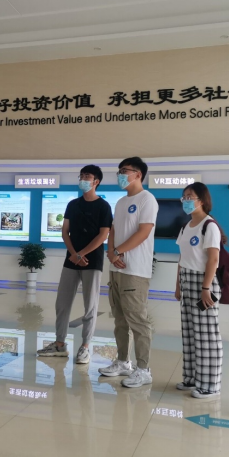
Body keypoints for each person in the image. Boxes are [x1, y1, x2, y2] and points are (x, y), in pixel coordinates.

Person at [37, 165, 112, 364]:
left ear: (96, 181)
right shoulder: (73, 204)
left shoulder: (104, 206)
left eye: (87, 176)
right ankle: (59, 344)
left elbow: (103, 235)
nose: (83, 179)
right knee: (62, 303)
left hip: (92, 260)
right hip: (71, 260)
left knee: (90, 305)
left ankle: (85, 347)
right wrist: (74, 254)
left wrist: (81, 254)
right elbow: (65, 231)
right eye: (81, 176)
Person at [99, 157, 159, 388]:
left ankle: (143, 369)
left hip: (135, 270)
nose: (120, 175)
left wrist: (118, 251)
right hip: (116, 267)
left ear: (138, 174)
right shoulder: (121, 202)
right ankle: (123, 362)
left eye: (125, 171)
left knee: (138, 321)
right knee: (120, 319)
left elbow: (144, 232)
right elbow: (113, 230)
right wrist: (111, 252)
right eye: (119, 171)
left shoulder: (147, 199)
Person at [174, 182, 223, 400]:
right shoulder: (186, 227)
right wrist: (178, 285)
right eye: (184, 197)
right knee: (190, 333)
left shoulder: (209, 225)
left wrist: (205, 288)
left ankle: (210, 385)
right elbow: (182, 258)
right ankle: (192, 378)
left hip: (204, 283)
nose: (185, 201)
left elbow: (213, 259)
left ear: (201, 200)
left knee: (207, 336)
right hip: (187, 282)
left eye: (190, 197)